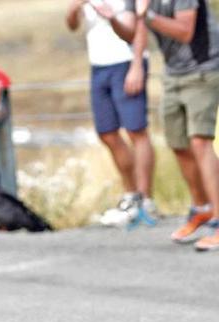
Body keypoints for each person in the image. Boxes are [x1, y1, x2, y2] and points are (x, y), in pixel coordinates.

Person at [105, 0, 219, 250]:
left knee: (200, 142)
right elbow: (133, 31)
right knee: (178, 144)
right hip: (172, 74)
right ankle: (202, 209)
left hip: (204, 69)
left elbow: (185, 31)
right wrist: (112, 19)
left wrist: (148, 15)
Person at [67, 0, 157, 227]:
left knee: (136, 130)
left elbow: (139, 25)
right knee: (107, 132)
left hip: (126, 61)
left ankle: (145, 200)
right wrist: (73, 8)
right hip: (98, 64)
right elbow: (72, 25)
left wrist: (137, 65)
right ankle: (130, 194)